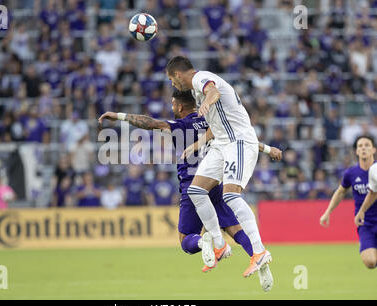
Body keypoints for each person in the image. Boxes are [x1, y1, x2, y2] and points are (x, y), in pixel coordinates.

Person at [99, 90, 282, 291]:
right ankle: (258, 256)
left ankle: (206, 241)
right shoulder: (212, 123)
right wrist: (266, 149)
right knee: (234, 229)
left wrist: (118, 116)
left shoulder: (181, 125)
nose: (171, 107)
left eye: (172, 104)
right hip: (215, 182)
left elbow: (149, 122)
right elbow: (237, 139)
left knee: (186, 241)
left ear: (179, 107)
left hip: (193, 186)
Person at [165, 56, 273, 278]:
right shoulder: (195, 91)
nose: (173, 86)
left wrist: (207, 101)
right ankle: (219, 244)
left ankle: (260, 252)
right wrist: (197, 144)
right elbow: (214, 127)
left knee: (231, 196)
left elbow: (214, 92)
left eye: (172, 80)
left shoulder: (202, 79)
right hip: (222, 144)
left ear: (177, 74)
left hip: (238, 141)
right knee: (196, 190)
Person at [320, 135, 376, 269]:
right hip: (365, 223)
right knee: (370, 262)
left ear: (374, 150)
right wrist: (327, 212)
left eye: (367, 145)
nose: (363, 148)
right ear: (356, 151)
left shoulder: (376, 170)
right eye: (360, 146)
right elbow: (340, 192)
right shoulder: (351, 173)